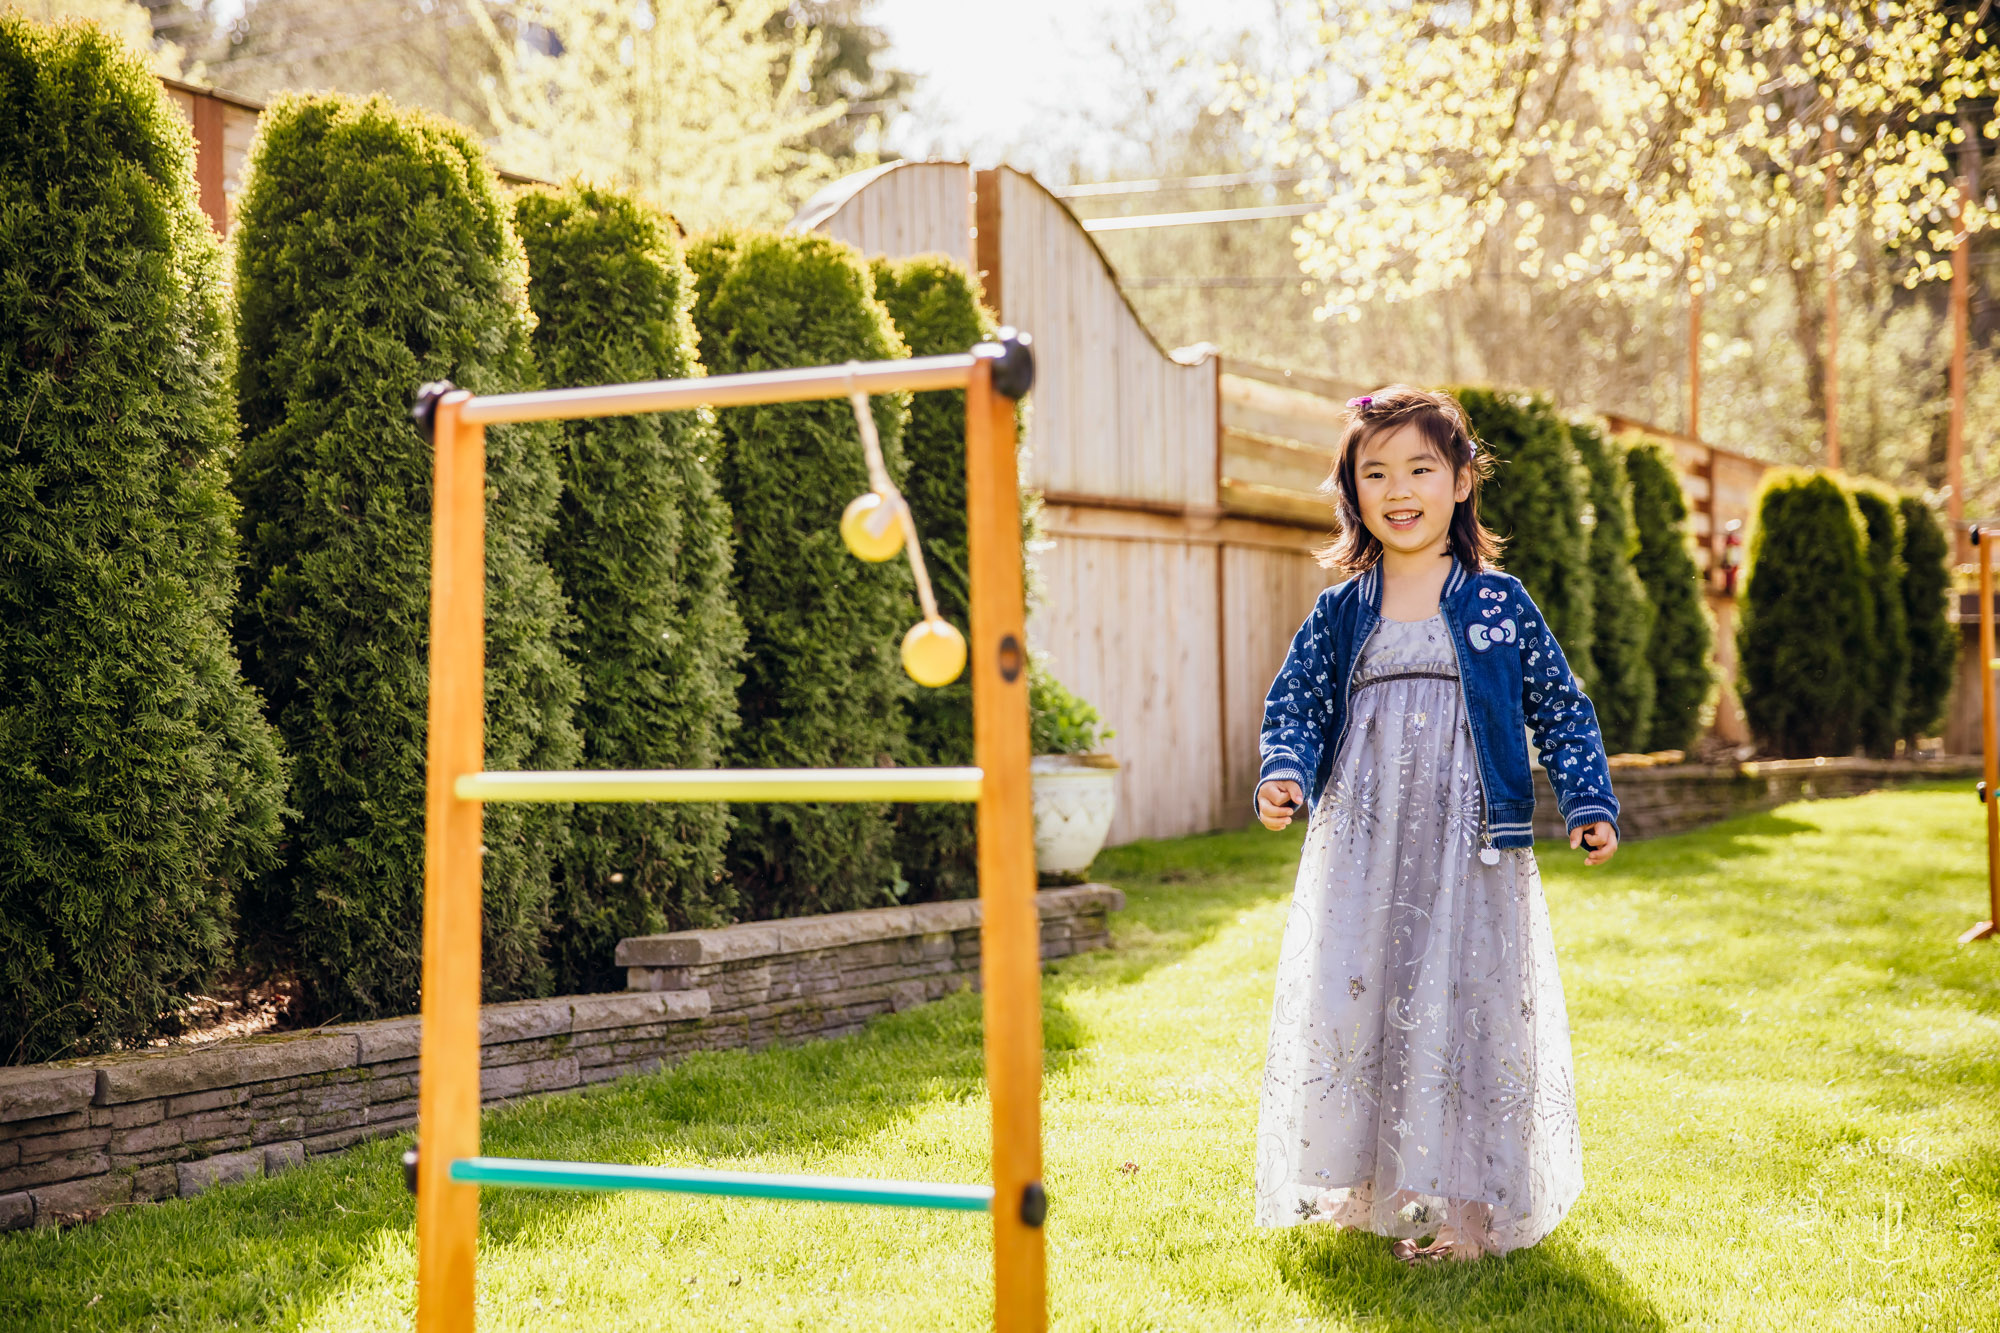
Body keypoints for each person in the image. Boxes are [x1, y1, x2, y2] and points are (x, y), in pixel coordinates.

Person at [1251, 385, 1618, 1265]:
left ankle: (1463, 1208)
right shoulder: (1343, 610)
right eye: (1374, 472)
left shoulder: (1498, 603)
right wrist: (1285, 771)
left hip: (1470, 847)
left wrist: (1588, 800)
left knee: (1462, 1003)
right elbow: (1294, 702)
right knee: (1363, 995)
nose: (1398, 487)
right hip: (1362, 848)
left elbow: (1560, 708)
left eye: (1420, 467)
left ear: (1460, 481)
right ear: (1353, 492)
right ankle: (1363, 1184)